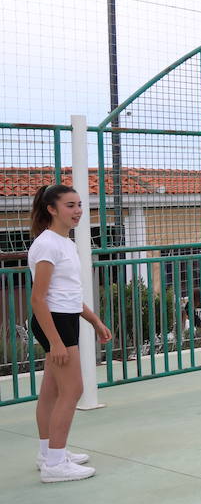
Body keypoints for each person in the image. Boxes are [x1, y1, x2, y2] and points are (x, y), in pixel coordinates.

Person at [27, 184, 112, 483]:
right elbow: (39, 299)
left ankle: (48, 453)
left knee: (52, 391)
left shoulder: (66, 242)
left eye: (79, 205)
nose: (77, 211)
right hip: (55, 323)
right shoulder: (47, 245)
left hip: (65, 319)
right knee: (73, 390)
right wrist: (56, 341)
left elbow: (68, 294)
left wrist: (94, 320)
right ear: (52, 209)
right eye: (70, 205)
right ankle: (54, 465)